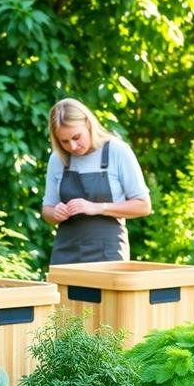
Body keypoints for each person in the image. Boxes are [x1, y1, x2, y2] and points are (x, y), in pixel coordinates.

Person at [42, 98, 151, 264]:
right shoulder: (58, 159)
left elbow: (143, 206)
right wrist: (55, 213)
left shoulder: (117, 151)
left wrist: (98, 207)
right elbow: (47, 210)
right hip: (65, 251)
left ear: (88, 124)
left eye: (76, 137)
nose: (72, 146)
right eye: (64, 141)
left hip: (108, 253)